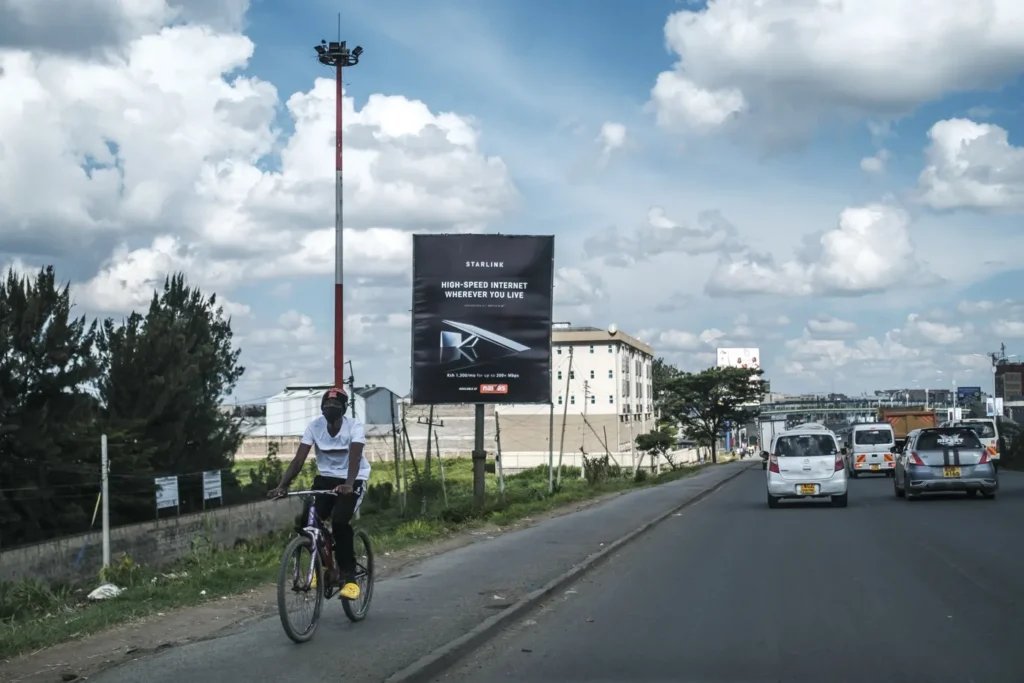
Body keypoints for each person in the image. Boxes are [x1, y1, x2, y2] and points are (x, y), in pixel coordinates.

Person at [268, 387, 369, 600]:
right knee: (307, 521)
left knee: (341, 522)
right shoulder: (315, 427)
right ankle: (322, 567)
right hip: (326, 478)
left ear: (344, 408)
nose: (330, 409)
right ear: (322, 408)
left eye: (335, 406)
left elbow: (355, 457)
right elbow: (298, 461)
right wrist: (282, 485)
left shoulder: (354, 427)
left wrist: (349, 484)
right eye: (327, 405)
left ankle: (350, 578)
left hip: (353, 477)